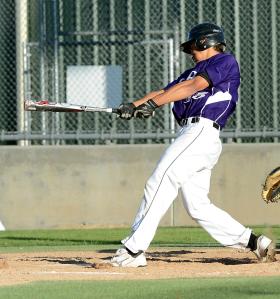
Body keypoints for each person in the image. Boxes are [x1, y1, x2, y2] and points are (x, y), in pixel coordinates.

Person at [111, 23, 276, 267]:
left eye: (193, 47)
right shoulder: (191, 72)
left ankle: (133, 250)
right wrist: (134, 105)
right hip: (191, 135)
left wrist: (154, 104)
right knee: (197, 206)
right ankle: (254, 242)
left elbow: (193, 87)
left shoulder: (224, 62)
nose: (190, 52)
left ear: (205, 42)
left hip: (201, 131)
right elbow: (166, 90)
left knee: (160, 180)